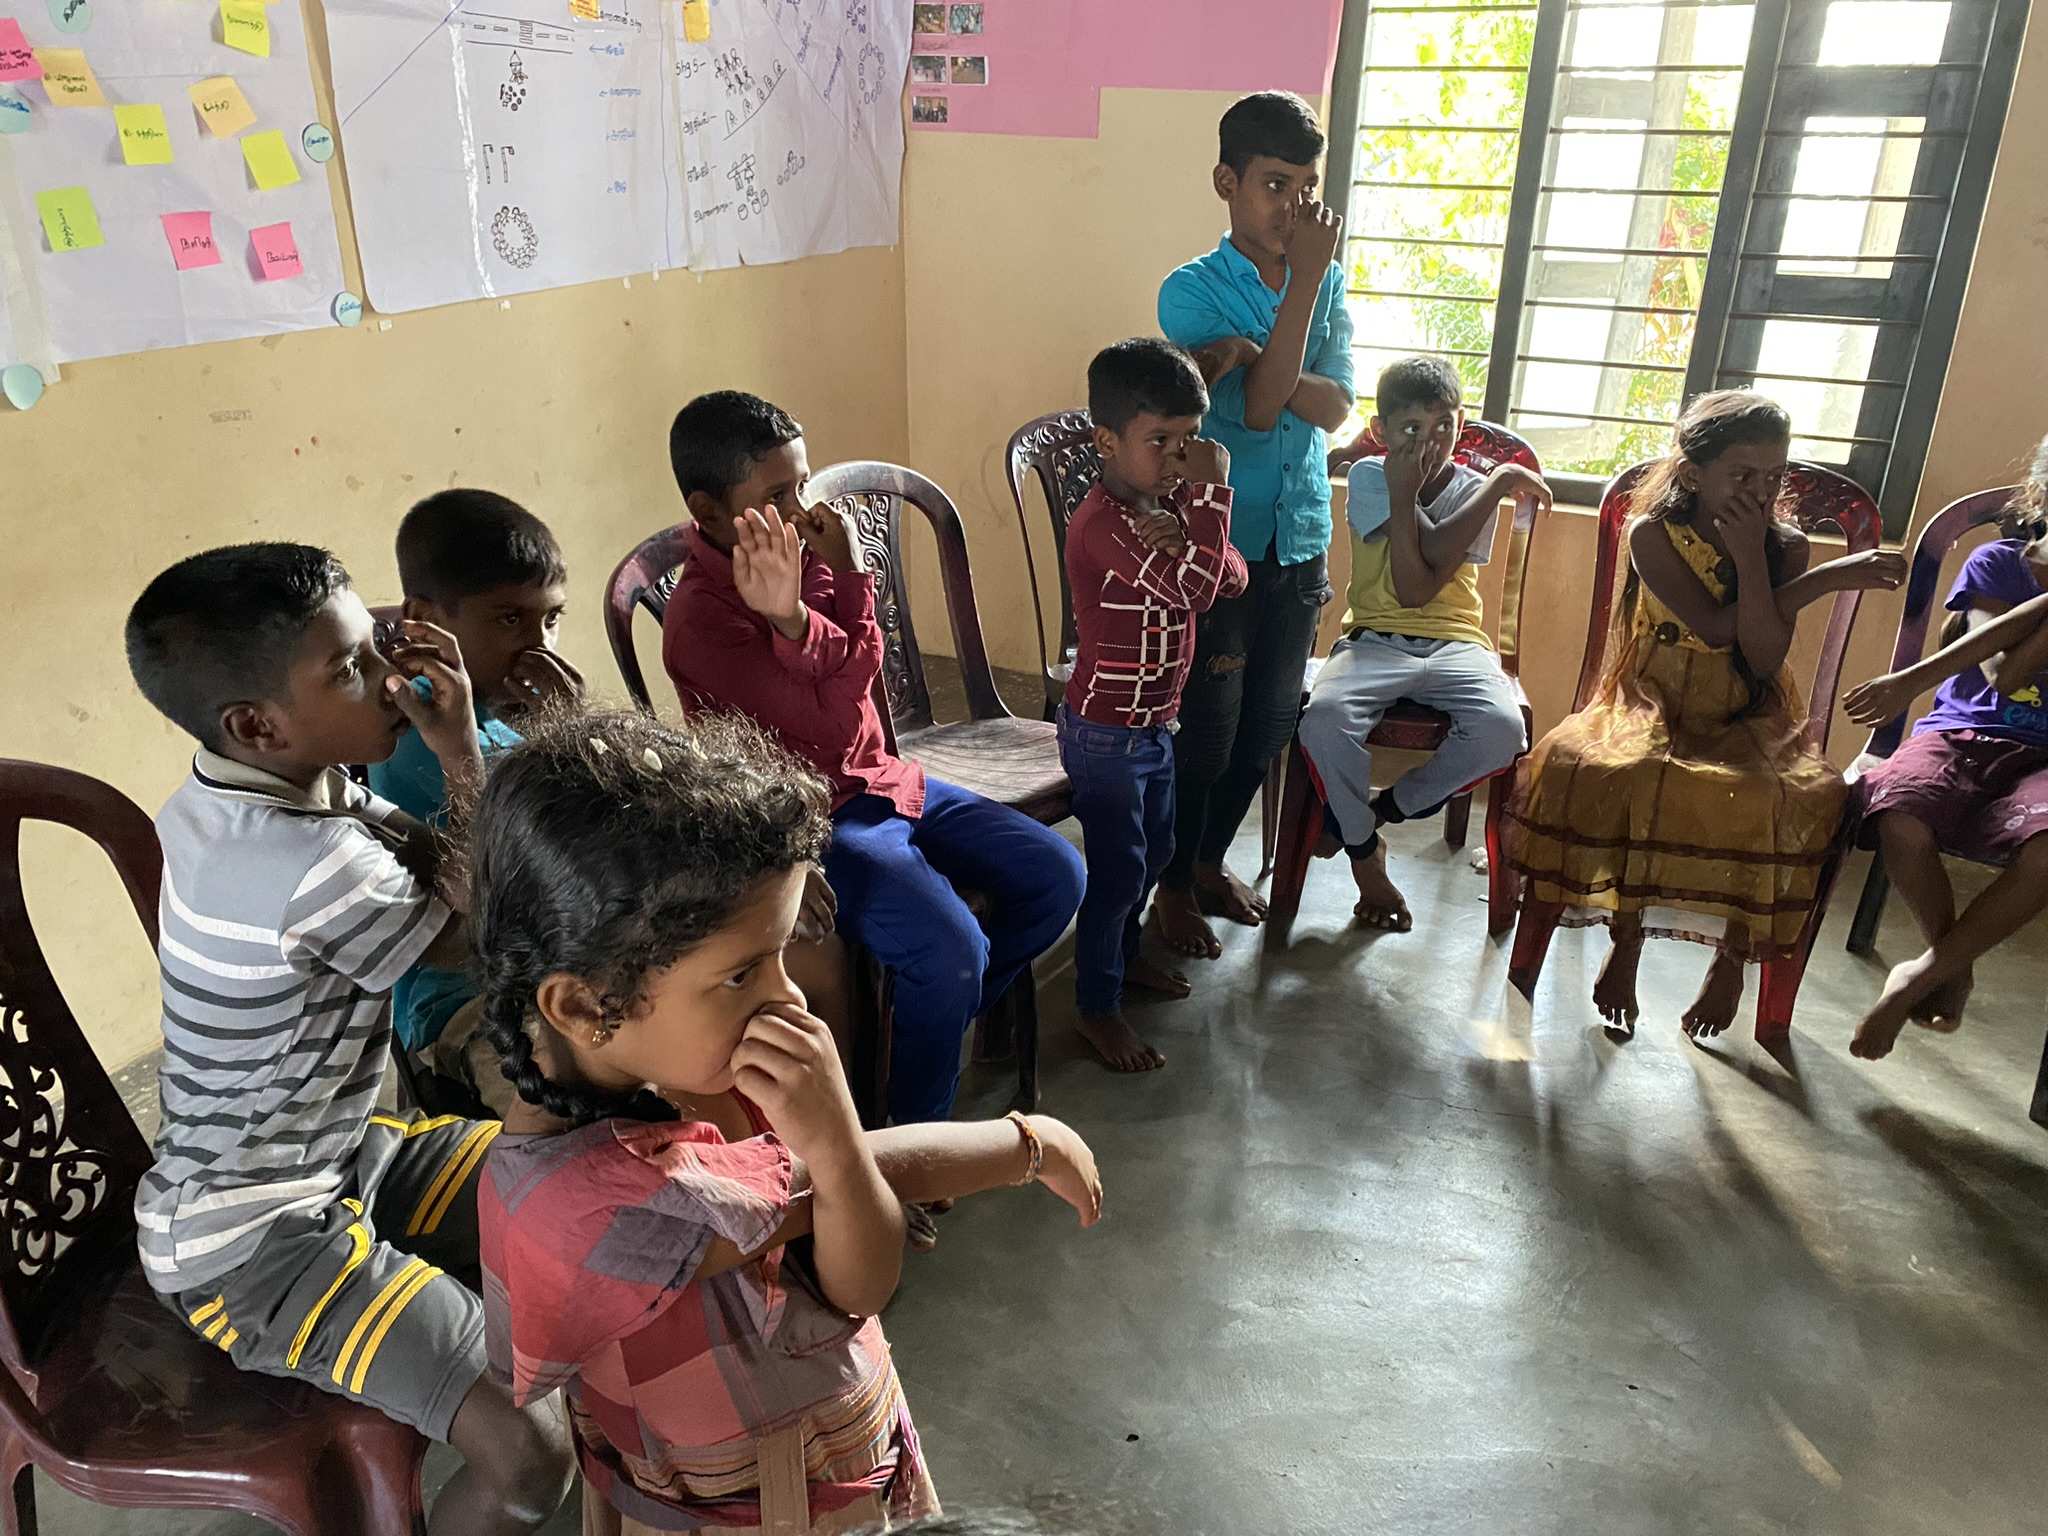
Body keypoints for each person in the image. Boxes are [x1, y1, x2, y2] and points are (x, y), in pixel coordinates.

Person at [468, 709, 1103, 1536]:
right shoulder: (585, 1213)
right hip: (767, 1508)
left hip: (813, 1463)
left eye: (780, 954)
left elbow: (832, 1241)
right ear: (586, 1003)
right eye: (740, 974)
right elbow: (862, 1280)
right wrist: (1009, 1144)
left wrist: (845, 1154)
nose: (791, 997)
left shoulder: (673, 1076)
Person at [123, 544, 573, 1536]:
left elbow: (431, 855)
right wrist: (457, 745)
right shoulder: (305, 866)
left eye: (373, 646)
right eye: (350, 670)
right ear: (256, 721)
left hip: (337, 1161)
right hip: (250, 1245)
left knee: (573, 1184)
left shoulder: (242, 787)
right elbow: (488, 916)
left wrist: (409, 726)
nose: (384, 679)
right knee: (529, 1452)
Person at [660, 390, 1085, 1132]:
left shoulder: (802, 558)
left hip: (885, 779)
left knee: (1056, 876)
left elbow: (864, 676)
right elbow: (830, 716)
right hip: (810, 820)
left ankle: (928, 1027)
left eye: (803, 482)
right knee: (951, 950)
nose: (802, 510)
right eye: (776, 495)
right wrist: (805, 613)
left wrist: (828, 597)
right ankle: (909, 1137)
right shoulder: (702, 622)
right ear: (710, 510)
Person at [1504, 393, 1906, 1038]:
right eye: (1742, 476)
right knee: (1614, 771)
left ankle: (1732, 960)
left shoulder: (1786, 545)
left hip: (1746, 705)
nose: (1762, 491)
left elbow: (1764, 650)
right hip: (1650, 696)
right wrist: (1824, 578)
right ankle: (1626, 939)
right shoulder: (1652, 535)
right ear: (1693, 474)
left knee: (1784, 796)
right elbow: (1717, 629)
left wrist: (1764, 557)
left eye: (1774, 477)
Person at [1155, 89, 1355, 960]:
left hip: (1299, 534)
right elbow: (1272, 411)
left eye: (1306, 189)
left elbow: (1339, 406)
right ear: (1226, 183)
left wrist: (1254, 352)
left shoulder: (1330, 280)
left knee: (1270, 724)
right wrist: (1295, 302)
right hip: (1218, 545)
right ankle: (1169, 883)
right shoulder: (1190, 293)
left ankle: (1204, 863)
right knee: (1209, 729)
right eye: (1275, 185)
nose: (1293, 209)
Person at [1297, 357, 1548, 931]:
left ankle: (1374, 815)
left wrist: (1490, 489)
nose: (1430, 443)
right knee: (1323, 721)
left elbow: (1430, 571)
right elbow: (1410, 588)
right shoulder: (1367, 475)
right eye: (1412, 430)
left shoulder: (1468, 489)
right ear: (1382, 432)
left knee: (1503, 731)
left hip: (1458, 642)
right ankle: (1366, 859)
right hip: (1373, 640)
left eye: (1445, 427)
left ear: (1461, 425)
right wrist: (1498, 487)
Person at [1061, 338, 1248, 1071]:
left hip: (1154, 726)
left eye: (1191, 442)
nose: (1179, 459)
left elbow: (1229, 574)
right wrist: (1210, 499)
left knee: (1156, 854)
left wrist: (1195, 530)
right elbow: (1199, 589)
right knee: (1115, 871)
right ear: (1107, 441)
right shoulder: (1103, 524)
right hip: (1105, 731)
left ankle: (1125, 957)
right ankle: (1095, 1005)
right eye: (1161, 442)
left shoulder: (1170, 509)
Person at [370, 489, 581, 1107]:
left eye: (551, 618)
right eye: (509, 619)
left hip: (569, 953)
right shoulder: (423, 730)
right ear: (426, 621)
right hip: (471, 995)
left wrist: (570, 731)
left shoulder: (524, 710)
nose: (538, 643)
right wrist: (563, 747)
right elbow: (511, 885)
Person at [1838, 437, 2048, 1058]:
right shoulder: (1995, 563)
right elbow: (2001, 673)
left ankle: (1921, 974)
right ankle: (1953, 963)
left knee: (2046, 857)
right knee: (1900, 815)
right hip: (1961, 732)